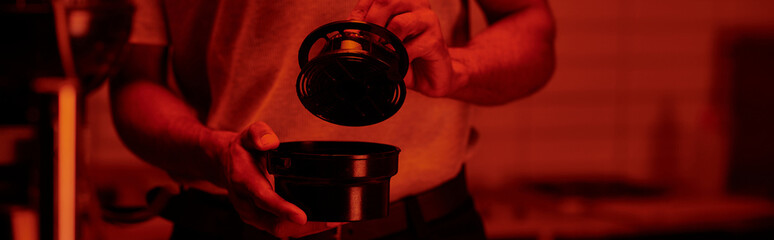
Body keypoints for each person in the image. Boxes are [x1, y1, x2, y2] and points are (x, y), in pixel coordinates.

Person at [110, 0, 555, 239]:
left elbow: (532, 23)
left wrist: (456, 70)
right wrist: (212, 152)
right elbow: (134, 83)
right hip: (226, 225)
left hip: (426, 227)